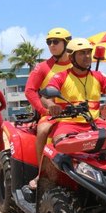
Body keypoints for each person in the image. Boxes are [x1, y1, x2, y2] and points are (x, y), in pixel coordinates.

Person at [32, 38, 106, 189]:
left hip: (94, 122)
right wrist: (51, 104)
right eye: (82, 53)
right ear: (71, 57)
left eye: (89, 53)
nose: (87, 57)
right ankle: (41, 174)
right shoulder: (61, 77)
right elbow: (44, 96)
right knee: (60, 143)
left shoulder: (98, 76)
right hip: (69, 123)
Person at [24, 27, 72, 188]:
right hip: (52, 112)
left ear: (66, 43)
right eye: (49, 42)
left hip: (76, 112)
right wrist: (43, 110)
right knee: (43, 130)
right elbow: (30, 90)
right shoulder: (43, 67)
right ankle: (40, 174)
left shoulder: (77, 63)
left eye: (56, 42)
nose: (52, 45)